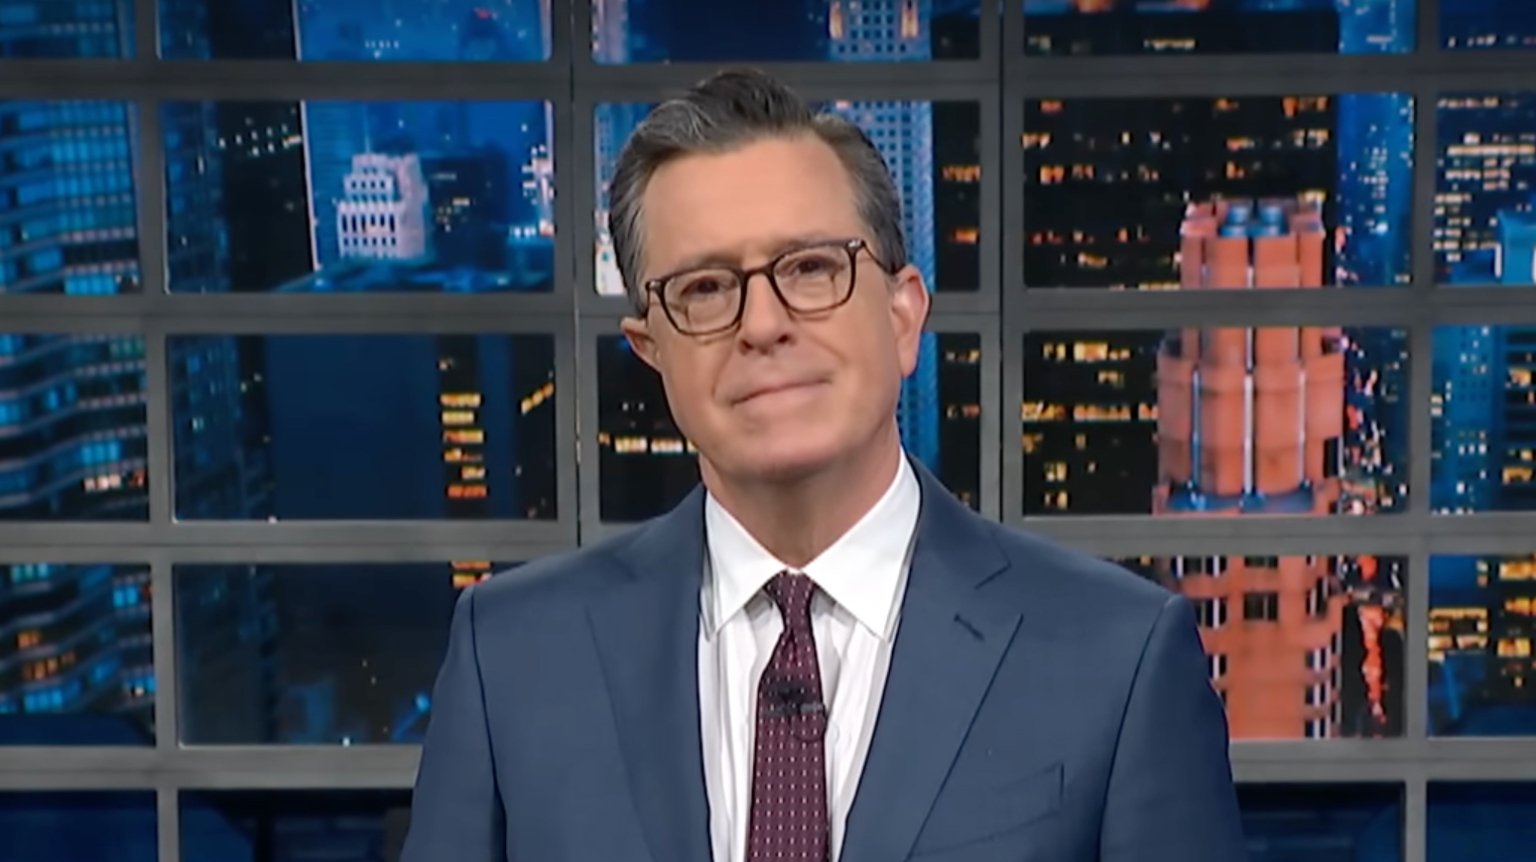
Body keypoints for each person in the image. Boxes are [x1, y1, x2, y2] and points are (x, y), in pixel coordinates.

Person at [401, 68, 1246, 862]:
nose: (761, 324)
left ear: (903, 316)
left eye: (810, 269)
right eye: (703, 288)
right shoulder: (510, 657)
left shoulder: (1120, 658)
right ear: (650, 352)